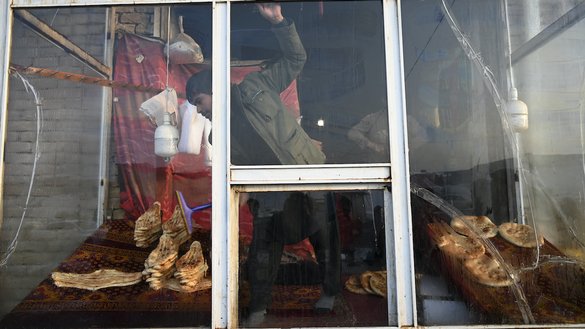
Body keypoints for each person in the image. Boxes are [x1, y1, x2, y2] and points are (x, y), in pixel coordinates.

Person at [185, 3, 338, 326]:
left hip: (308, 174)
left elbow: (296, 59)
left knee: (325, 238)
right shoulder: (217, 139)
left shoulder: (256, 86)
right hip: (269, 197)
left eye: (199, 102)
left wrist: (279, 22)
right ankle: (257, 309)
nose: (199, 111)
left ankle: (330, 292)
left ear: (212, 90)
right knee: (262, 253)